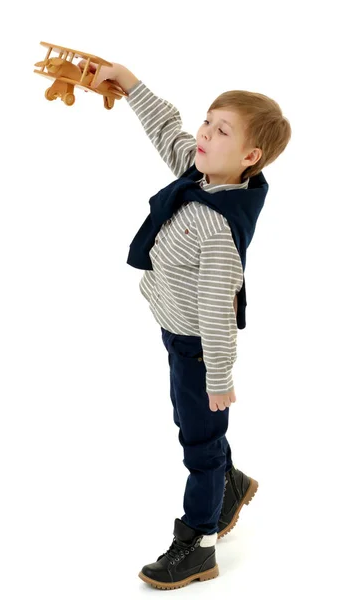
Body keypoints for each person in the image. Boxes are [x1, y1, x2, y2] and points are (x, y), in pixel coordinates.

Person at [79, 59, 292, 590]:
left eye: (221, 131)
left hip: (198, 346)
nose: (203, 133)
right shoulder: (201, 176)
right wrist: (127, 82)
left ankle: (198, 543)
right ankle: (232, 482)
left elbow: (220, 310)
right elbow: (166, 127)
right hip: (175, 331)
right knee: (201, 428)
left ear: (250, 157)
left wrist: (220, 376)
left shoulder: (218, 228)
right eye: (207, 121)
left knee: (198, 441)